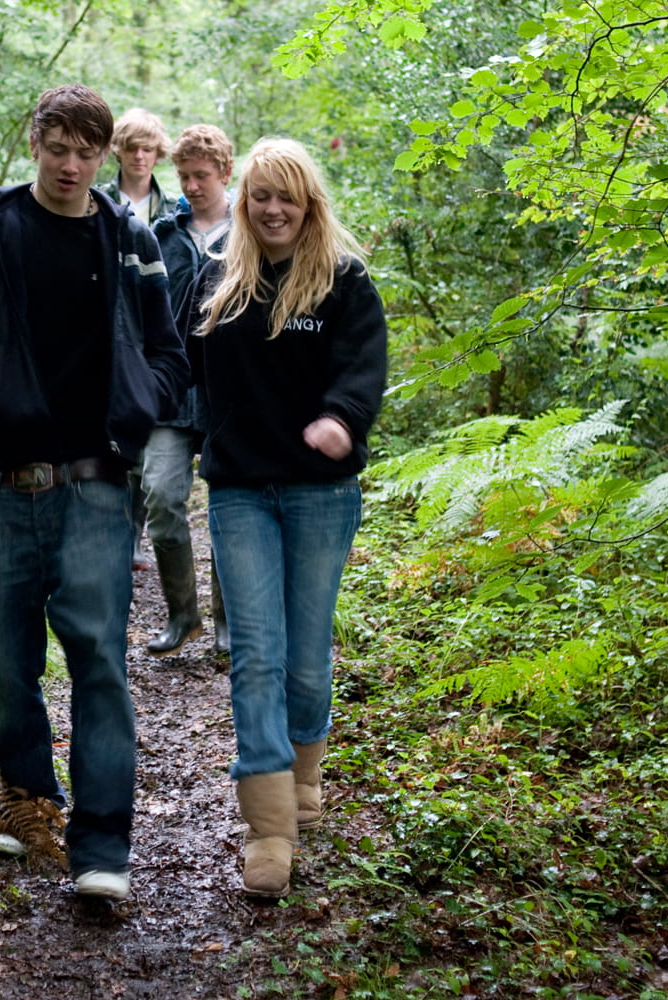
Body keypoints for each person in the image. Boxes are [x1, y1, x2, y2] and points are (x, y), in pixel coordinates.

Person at [0, 84, 188, 903]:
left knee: (97, 659)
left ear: (103, 154)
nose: (70, 164)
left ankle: (102, 848)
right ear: (36, 143)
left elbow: (170, 353)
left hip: (98, 487)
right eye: (57, 147)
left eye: (85, 150)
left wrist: (137, 405)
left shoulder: (129, 238)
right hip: (5, 485)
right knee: (2, 652)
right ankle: (29, 800)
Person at [180, 136, 387, 897]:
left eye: (287, 198)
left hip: (319, 493)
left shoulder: (343, 280)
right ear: (244, 201)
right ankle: (270, 827)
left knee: (305, 655)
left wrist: (341, 418)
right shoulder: (217, 279)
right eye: (260, 196)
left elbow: (365, 367)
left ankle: (306, 771)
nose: (273, 210)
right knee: (257, 653)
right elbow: (178, 365)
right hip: (238, 491)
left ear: (308, 206)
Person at [145, 124, 234, 657]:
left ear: (225, 173)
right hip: (171, 390)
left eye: (201, 176)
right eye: (182, 176)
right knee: (159, 494)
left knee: (229, 506)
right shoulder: (162, 233)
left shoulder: (248, 229)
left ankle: (228, 622)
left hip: (229, 394)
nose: (191, 186)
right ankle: (184, 615)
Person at [97, 108, 175, 570]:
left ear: (158, 154)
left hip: (155, 327)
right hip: (111, 326)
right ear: (118, 152)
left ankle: (138, 533)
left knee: (148, 430)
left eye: (148, 149)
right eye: (132, 149)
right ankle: (120, 535)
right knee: (115, 430)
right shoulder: (98, 198)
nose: (140, 157)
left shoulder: (173, 207)